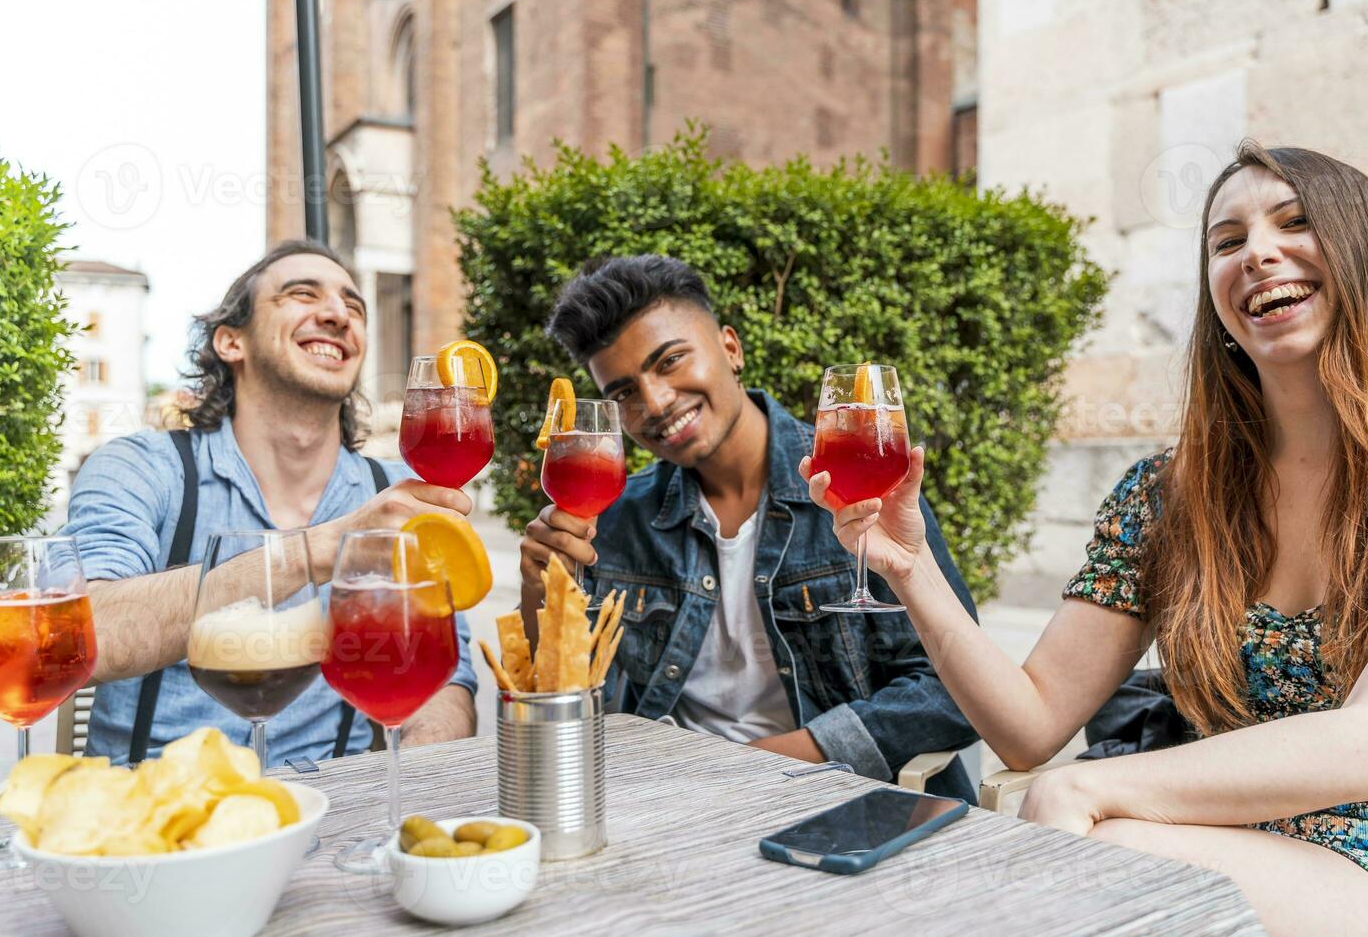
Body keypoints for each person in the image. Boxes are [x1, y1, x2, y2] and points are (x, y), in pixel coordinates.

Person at [804, 142, 1368, 934]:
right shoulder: (1171, 496)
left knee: (1079, 860)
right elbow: (1032, 721)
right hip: (1229, 841)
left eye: (1296, 222)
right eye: (1227, 242)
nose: (1257, 253)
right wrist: (911, 569)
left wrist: (1092, 788)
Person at [521, 255, 980, 798]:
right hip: (669, 808)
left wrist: (746, 766)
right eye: (623, 393)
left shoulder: (856, 484)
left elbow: (954, 692)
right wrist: (538, 592)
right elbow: (561, 695)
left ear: (731, 350)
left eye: (670, 361)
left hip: (845, 800)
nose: (655, 402)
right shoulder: (619, 520)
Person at [66, 240, 479, 767]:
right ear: (231, 341)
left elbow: (446, 680)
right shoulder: (143, 468)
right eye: (301, 294)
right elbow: (84, 634)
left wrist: (404, 789)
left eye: (354, 307)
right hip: (154, 818)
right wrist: (325, 549)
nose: (336, 314)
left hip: (336, 812)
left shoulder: (396, 488)